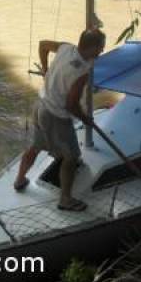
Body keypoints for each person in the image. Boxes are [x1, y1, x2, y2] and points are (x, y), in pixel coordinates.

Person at [13, 29, 106, 212]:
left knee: (36, 146)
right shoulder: (82, 71)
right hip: (56, 116)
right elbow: (71, 105)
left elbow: (43, 44)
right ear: (92, 47)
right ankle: (65, 199)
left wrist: (46, 69)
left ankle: (19, 179)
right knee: (71, 158)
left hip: (40, 106)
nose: (101, 52)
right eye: (100, 48)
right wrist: (85, 119)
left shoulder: (65, 48)